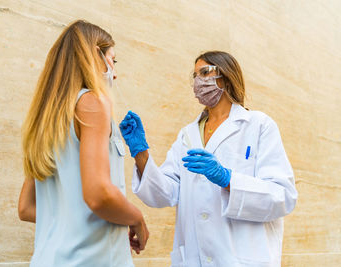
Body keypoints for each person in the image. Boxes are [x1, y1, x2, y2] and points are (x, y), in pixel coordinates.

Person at [119, 51, 298, 267]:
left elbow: (283, 196)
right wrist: (141, 153)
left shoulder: (258, 125)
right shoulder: (187, 134)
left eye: (205, 73)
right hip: (196, 258)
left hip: (241, 258)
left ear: (226, 75)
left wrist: (228, 179)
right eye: (194, 76)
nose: (198, 82)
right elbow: (164, 193)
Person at [18, 20, 148, 267]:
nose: (115, 72)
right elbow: (98, 195)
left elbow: (26, 207)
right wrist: (136, 218)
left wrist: (82, 220)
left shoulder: (46, 121)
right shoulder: (93, 104)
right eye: (113, 60)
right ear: (95, 55)